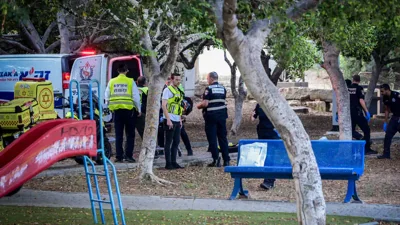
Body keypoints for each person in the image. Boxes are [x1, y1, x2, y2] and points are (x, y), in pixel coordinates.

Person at [105, 64, 141, 163]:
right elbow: (135, 97)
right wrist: (139, 109)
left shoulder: (112, 82)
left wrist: (110, 107)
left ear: (117, 70)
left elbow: (107, 96)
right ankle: (128, 156)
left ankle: (119, 156)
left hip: (116, 111)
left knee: (118, 134)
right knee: (130, 134)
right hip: (129, 111)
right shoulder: (130, 81)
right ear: (126, 71)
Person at [197, 71, 230, 167]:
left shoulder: (209, 89)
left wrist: (198, 106)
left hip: (211, 117)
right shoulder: (223, 89)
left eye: (207, 78)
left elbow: (205, 104)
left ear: (211, 78)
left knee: (212, 138)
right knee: (223, 138)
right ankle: (226, 160)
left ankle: (216, 159)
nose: (207, 80)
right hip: (222, 116)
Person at [251, 103, 280, 190]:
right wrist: (253, 114)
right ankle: (268, 180)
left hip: (273, 134)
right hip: (262, 133)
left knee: (270, 157)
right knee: (265, 156)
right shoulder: (259, 104)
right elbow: (252, 118)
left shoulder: (275, 103)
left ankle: (269, 181)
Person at [348, 74, 377, 155]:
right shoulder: (359, 88)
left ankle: (351, 148)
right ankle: (366, 148)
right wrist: (366, 111)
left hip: (349, 113)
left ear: (352, 79)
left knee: (351, 130)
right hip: (357, 112)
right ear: (359, 81)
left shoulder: (348, 88)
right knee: (367, 130)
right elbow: (361, 100)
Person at [161, 73, 184, 169]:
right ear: (172, 80)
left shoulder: (178, 90)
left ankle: (174, 161)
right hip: (169, 119)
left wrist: (179, 119)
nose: (178, 81)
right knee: (168, 142)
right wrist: (168, 120)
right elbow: (164, 105)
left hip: (176, 119)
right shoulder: (167, 90)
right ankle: (168, 163)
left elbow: (178, 106)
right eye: (176, 79)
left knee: (176, 141)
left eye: (179, 80)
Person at [377, 84, 400, 159]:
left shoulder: (396, 95)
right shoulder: (385, 98)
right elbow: (387, 110)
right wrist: (385, 122)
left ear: (387, 89)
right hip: (394, 118)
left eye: (382, 91)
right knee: (388, 136)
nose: (381, 93)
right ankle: (386, 154)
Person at [177, 83, 194, 156]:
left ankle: (189, 149)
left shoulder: (178, 86)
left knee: (182, 132)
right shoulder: (166, 88)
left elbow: (181, 101)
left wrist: (180, 115)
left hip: (177, 114)